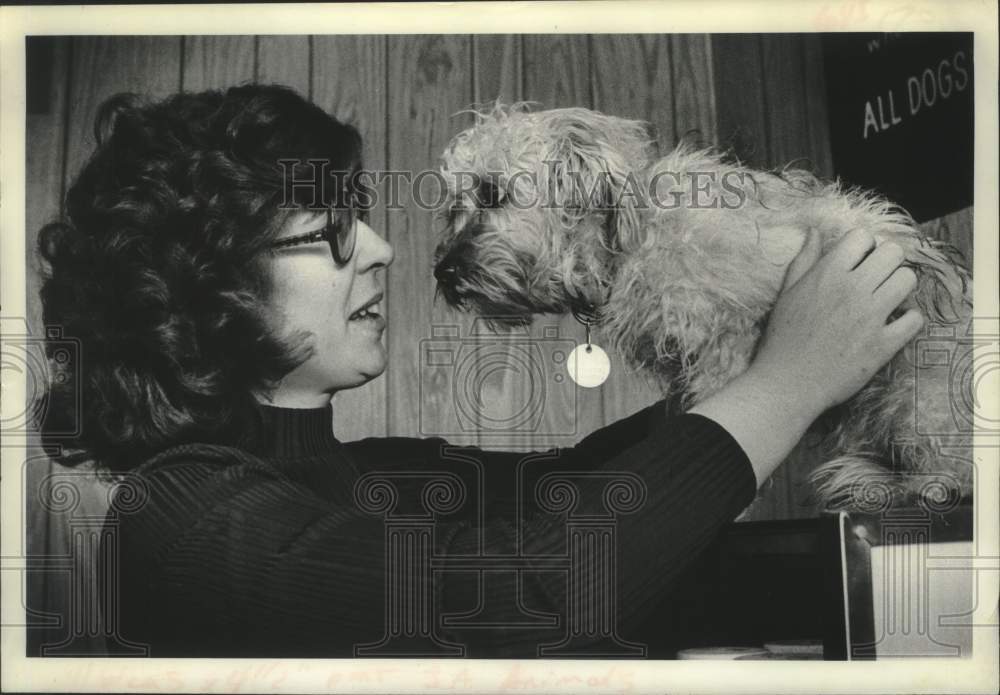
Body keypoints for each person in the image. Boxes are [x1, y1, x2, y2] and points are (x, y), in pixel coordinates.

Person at [36, 84, 922, 658]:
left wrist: (755, 343)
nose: (382, 248)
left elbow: (574, 490)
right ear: (208, 290)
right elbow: (527, 595)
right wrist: (787, 383)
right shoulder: (180, 521)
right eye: (329, 233)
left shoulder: (364, 474)